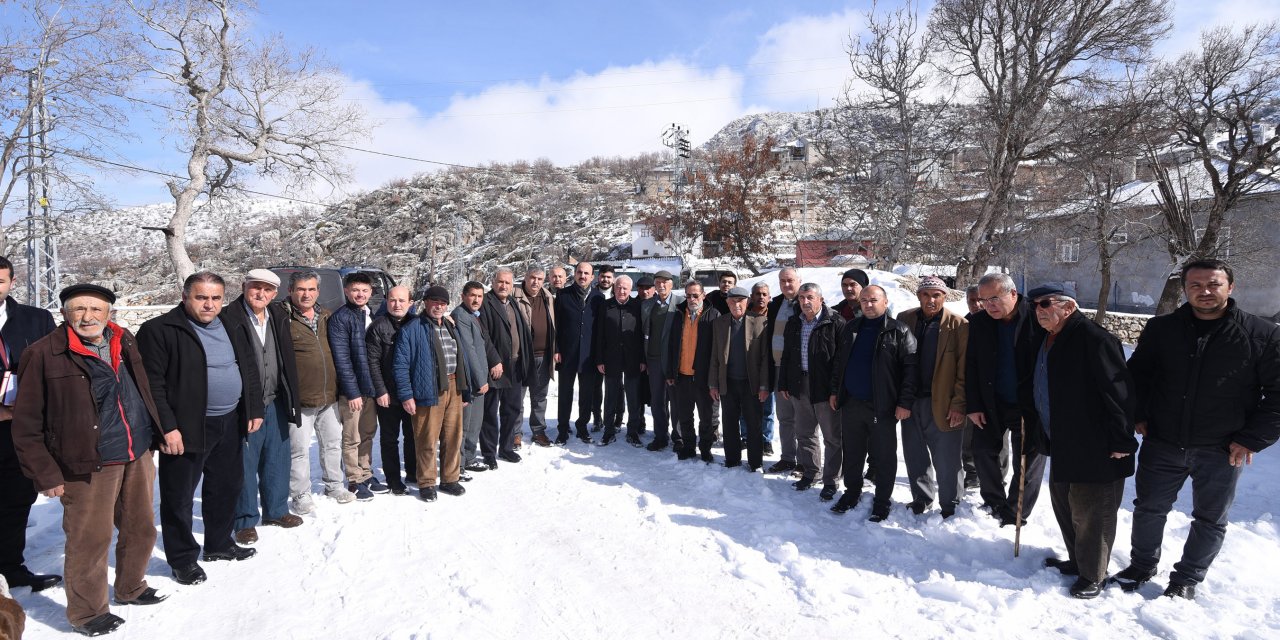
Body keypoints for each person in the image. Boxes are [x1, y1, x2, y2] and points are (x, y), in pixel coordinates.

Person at [1113, 259, 1280, 600]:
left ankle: (1187, 577)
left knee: (1210, 518)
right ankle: (1142, 565)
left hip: (1222, 448)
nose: (1204, 291)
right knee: (1148, 509)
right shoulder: (1163, 329)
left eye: (1213, 284)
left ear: (1230, 287)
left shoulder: (1261, 334)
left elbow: (1277, 394)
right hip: (1163, 440)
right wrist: (1140, 414)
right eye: (1196, 285)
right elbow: (1138, 377)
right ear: (1185, 289)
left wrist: (1250, 439)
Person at [12, 284, 165, 636]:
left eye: (96, 309)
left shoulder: (123, 339)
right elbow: (27, 423)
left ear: (109, 312)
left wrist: (154, 433)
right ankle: (87, 612)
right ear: (65, 314)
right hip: (87, 463)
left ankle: (131, 587)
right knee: (88, 540)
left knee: (140, 527)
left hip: (135, 451)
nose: (88, 317)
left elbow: (142, 389)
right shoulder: (44, 354)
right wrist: (45, 473)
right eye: (78, 309)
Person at [138, 272, 264, 586]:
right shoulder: (160, 329)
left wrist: (253, 408)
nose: (209, 304)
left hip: (230, 420)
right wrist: (167, 428)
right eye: (201, 297)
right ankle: (182, 560)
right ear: (185, 297)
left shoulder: (232, 324)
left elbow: (247, 367)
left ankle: (219, 544)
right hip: (187, 426)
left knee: (226, 486)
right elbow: (151, 385)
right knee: (178, 496)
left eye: (215, 298)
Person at [1021, 282, 1137, 599]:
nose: (1038, 310)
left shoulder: (1095, 340)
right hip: (1060, 441)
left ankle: (1093, 575)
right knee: (1065, 506)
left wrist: (1121, 440)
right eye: (1034, 304)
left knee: (1092, 513)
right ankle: (1077, 561)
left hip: (1096, 445)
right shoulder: (1046, 338)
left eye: (1045, 304)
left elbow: (1120, 394)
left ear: (1068, 307)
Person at [223, 270, 304, 546]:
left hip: (277, 398)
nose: (261, 294)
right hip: (246, 403)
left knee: (278, 457)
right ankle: (245, 520)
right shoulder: (229, 318)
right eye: (256, 288)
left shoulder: (278, 316)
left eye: (267, 290)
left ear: (275, 294)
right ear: (245, 287)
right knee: (246, 461)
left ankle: (277, 510)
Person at [829, 285, 917, 522]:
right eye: (864, 300)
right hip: (852, 403)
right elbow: (839, 363)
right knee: (853, 453)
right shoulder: (852, 328)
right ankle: (851, 492)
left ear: (885, 302)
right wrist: (835, 391)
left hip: (883, 406)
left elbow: (910, 372)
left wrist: (904, 403)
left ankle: (882, 501)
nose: (868, 304)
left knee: (884, 455)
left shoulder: (899, 331)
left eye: (874, 300)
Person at [965, 272, 1046, 527]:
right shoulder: (979, 323)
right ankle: (993, 500)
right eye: (984, 300)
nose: (989, 305)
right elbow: (972, 365)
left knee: (1027, 461)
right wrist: (974, 405)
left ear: (1013, 294)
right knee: (982, 450)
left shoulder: (1036, 317)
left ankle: (1016, 511)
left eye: (994, 299)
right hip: (992, 401)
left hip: (1029, 405)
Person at [0, 256, 59, 594]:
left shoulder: (36, 320)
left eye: (0, 280)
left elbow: (52, 369)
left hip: (20, 429)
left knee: (16, 499)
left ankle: (10, 569)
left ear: (11, 282)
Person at [897, 277, 969, 518]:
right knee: (914, 454)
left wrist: (959, 404)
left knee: (947, 460)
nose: (931, 300)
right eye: (926, 295)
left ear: (944, 297)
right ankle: (921, 498)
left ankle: (951, 505)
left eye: (936, 295)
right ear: (918, 296)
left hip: (944, 403)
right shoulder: (905, 319)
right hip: (911, 401)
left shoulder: (958, 325)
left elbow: (963, 370)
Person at [282, 271, 354, 512]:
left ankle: (334, 484)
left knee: (332, 444)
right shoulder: (282, 317)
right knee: (299, 450)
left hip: (329, 397)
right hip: (300, 400)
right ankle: (300, 494)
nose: (306, 294)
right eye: (301, 289)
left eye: (311, 289)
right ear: (291, 290)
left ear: (318, 292)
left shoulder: (327, 316)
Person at [394, 286, 472, 502]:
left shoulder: (449, 325)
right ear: (425, 303)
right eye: (434, 301)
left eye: (443, 303)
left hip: (454, 387)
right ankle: (427, 482)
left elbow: (461, 358)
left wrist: (465, 391)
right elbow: (400, 365)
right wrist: (406, 395)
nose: (439, 306)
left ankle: (449, 479)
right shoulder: (412, 329)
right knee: (426, 439)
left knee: (453, 437)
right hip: (427, 390)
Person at [779, 283, 846, 500]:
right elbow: (787, 355)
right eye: (801, 298)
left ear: (821, 299)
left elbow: (840, 362)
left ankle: (831, 479)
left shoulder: (835, 322)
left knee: (832, 437)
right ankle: (811, 472)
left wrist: (835, 390)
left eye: (810, 297)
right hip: (800, 385)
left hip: (825, 388)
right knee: (805, 432)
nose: (805, 302)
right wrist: (784, 383)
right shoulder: (794, 322)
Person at [328, 272, 387, 501]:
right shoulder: (341, 318)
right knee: (351, 436)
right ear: (346, 291)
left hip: (370, 386)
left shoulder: (368, 313)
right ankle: (354, 479)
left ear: (371, 292)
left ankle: (366, 472)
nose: (360, 294)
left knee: (368, 433)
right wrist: (352, 391)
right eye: (355, 290)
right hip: (352, 391)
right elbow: (341, 359)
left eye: (364, 290)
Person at [708, 287, 771, 471]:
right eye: (733, 301)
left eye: (741, 301)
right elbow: (714, 356)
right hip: (727, 381)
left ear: (747, 302)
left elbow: (766, 357)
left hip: (751, 383)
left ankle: (755, 462)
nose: (737, 304)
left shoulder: (760, 322)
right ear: (727, 303)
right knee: (729, 423)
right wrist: (713, 383)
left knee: (754, 424)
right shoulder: (719, 323)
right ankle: (732, 459)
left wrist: (764, 385)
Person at [479, 268, 534, 467]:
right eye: (500, 282)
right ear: (493, 283)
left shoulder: (512, 303)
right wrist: (494, 360)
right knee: (490, 411)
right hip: (495, 367)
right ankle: (489, 452)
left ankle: (506, 447)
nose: (504, 286)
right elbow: (483, 335)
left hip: (515, 365)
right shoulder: (485, 303)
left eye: (508, 283)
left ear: (513, 286)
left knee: (512, 409)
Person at [366, 285, 417, 494]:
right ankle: (394, 479)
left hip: (412, 393)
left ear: (410, 303)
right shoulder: (378, 327)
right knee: (389, 438)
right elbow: (372, 362)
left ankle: (414, 472)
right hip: (388, 393)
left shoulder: (417, 324)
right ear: (387, 302)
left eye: (402, 301)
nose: (397, 305)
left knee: (413, 435)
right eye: (393, 300)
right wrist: (380, 390)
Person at [666, 281, 721, 461]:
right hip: (682, 375)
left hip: (703, 377)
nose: (691, 299)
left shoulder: (713, 315)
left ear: (703, 295)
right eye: (688, 295)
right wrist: (670, 372)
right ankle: (689, 446)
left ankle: (705, 448)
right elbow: (672, 345)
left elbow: (718, 350)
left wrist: (715, 378)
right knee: (684, 415)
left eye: (695, 295)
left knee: (706, 417)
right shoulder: (678, 315)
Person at [554, 262, 605, 444]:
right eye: (579, 272)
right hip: (567, 354)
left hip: (589, 357)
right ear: (574, 274)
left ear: (592, 277)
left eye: (586, 273)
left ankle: (582, 427)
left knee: (586, 395)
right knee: (565, 394)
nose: (582, 276)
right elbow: (556, 327)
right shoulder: (563, 295)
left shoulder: (599, 298)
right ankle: (562, 430)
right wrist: (556, 349)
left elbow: (600, 331)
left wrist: (600, 356)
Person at [593, 275, 646, 446]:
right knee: (610, 396)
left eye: (625, 288)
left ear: (630, 290)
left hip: (633, 359)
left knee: (633, 398)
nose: (622, 291)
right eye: (619, 287)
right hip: (611, 359)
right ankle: (608, 431)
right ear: (614, 288)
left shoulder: (638, 307)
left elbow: (642, 335)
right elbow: (599, 334)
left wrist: (642, 359)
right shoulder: (606, 306)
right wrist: (600, 359)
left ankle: (633, 432)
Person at [513, 267, 557, 447]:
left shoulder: (547, 296)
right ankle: (515, 433)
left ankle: (538, 431)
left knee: (540, 396)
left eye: (539, 279)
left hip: (543, 356)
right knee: (518, 397)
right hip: (521, 356)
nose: (535, 282)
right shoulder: (514, 296)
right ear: (525, 277)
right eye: (532, 278)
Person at [452, 282, 493, 474]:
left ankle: (469, 458)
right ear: (463, 296)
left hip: (479, 379)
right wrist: (480, 379)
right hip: (470, 380)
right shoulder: (461, 316)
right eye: (472, 295)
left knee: (475, 423)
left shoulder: (473, 315)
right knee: (464, 425)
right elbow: (468, 350)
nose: (476, 300)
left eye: (480, 296)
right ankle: (458, 465)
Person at [642, 270, 683, 451]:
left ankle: (678, 436)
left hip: (673, 360)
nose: (661, 285)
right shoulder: (648, 305)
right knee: (657, 401)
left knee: (675, 401)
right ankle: (660, 436)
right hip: (654, 360)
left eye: (665, 282)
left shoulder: (680, 304)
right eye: (658, 282)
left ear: (671, 284)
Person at [765, 267, 801, 473]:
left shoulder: (806, 301)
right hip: (778, 369)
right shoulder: (776, 304)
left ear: (799, 280)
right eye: (782, 281)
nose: (786, 284)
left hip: (799, 370)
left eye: (790, 280)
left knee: (804, 421)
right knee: (785, 417)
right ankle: (788, 457)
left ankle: (806, 462)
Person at [962, 283, 986, 491]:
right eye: (972, 300)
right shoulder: (962, 325)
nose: (977, 304)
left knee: (998, 441)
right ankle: (971, 474)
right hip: (969, 390)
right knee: (968, 437)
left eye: (981, 300)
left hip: (993, 393)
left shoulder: (998, 323)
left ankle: (995, 477)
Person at [748, 282, 776, 456]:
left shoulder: (774, 315)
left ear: (769, 297)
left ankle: (766, 440)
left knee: (767, 407)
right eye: (757, 294)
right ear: (752, 296)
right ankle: (746, 436)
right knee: (747, 407)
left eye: (764, 294)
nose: (761, 297)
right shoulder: (745, 315)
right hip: (748, 367)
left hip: (769, 367)